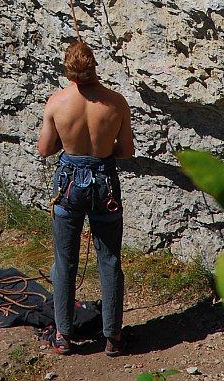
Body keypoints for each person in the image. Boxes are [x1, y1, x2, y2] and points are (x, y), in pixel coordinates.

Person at [37, 41, 135, 357]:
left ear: (67, 69)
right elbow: (127, 150)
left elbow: (45, 149)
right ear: (94, 65)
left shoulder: (57, 103)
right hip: (104, 182)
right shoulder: (116, 103)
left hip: (68, 183)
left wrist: (72, 145)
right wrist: (102, 151)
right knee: (109, 260)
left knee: (64, 261)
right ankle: (113, 338)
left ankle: (63, 334)